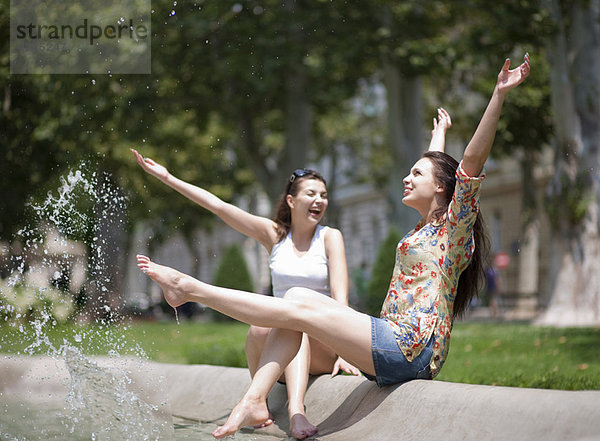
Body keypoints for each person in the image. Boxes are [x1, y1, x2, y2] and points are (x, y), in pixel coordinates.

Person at [136, 54, 530, 439]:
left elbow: (469, 164)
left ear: (443, 188)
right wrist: (437, 137)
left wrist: (498, 94)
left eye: (416, 174)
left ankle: (191, 290)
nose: (406, 179)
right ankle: (252, 401)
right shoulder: (423, 230)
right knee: (297, 302)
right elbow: (438, 169)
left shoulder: (452, 231)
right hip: (390, 342)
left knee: (299, 304)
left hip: (412, 352)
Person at [130, 150, 361, 438]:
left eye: (324, 195)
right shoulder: (274, 235)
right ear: (291, 200)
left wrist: (346, 351)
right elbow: (219, 206)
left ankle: (296, 412)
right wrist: (167, 178)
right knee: (259, 327)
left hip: (325, 342)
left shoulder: (330, 237)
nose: (320, 201)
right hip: (283, 337)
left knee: (295, 320)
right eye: (312, 193)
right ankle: (258, 403)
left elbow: (341, 300)